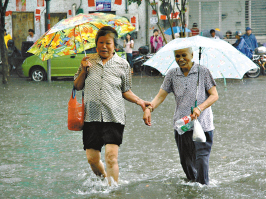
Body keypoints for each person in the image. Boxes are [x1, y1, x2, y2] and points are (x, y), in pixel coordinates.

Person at [74, 26, 151, 185]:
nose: (104, 46)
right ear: (96, 45)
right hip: (91, 116)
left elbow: (126, 90)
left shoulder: (123, 65)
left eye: (107, 43)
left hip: (114, 116)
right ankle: (105, 181)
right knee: (92, 159)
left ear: (115, 45)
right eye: (100, 43)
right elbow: (77, 86)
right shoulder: (88, 62)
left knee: (110, 157)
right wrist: (83, 70)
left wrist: (140, 102)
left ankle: (113, 192)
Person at [143, 47, 219, 185]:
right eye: (177, 56)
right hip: (182, 125)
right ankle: (193, 184)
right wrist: (149, 108)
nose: (181, 59)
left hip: (203, 124)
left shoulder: (203, 72)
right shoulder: (172, 74)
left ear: (192, 54)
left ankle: (202, 188)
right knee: (186, 161)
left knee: (201, 159)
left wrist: (200, 108)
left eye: (184, 55)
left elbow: (214, 95)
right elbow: (161, 96)